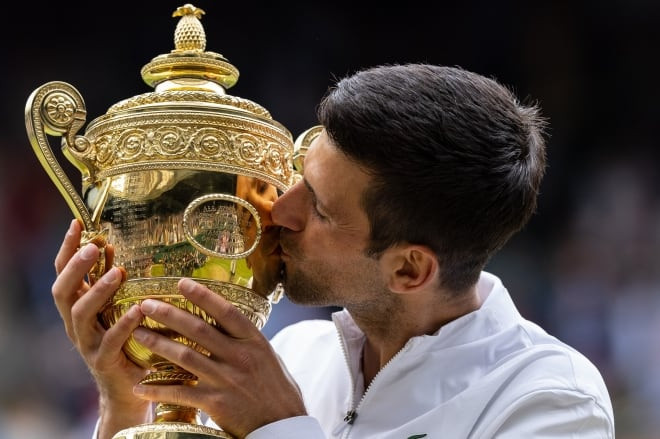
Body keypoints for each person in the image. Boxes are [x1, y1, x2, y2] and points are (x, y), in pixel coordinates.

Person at [52, 63, 615, 438]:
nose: (281, 211)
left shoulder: (551, 401)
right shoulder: (296, 353)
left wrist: (281, 427)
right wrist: (127, 407)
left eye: (320, 209)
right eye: (298, 175)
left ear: (409, 268)